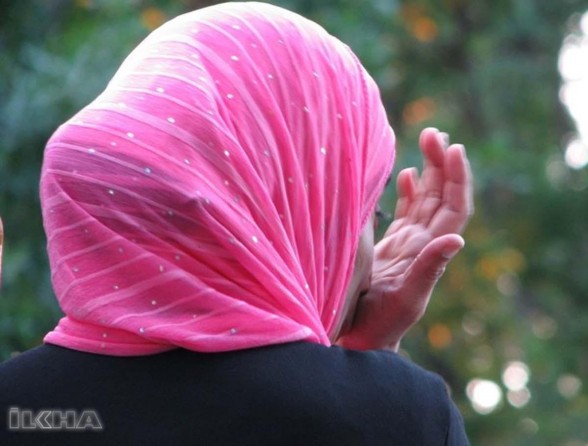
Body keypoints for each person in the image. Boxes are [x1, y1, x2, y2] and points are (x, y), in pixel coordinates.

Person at [0, 2, 473, 445]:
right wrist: (370, 374)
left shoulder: (21, 407)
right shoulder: (404, 419)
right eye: (368, 213)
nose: (369, 268)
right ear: (295, 210)